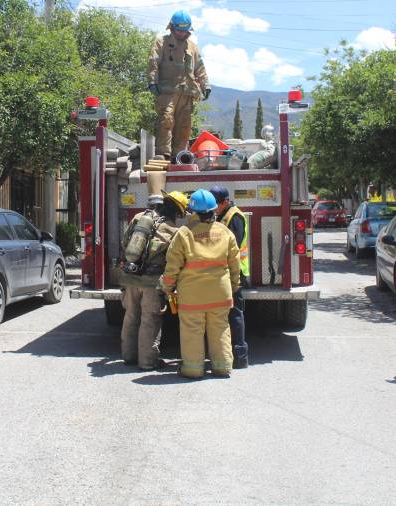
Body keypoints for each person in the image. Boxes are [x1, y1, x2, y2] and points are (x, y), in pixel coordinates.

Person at [160, 189, 240, 378]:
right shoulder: (225, 232)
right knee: (220, 328)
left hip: (192, 296)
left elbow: (172, 266)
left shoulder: (184, 234)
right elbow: (234, 264)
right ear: (214, 209)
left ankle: (193, 370)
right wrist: (234, 286)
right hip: (221, 293)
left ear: (192, 212)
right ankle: (222, 367)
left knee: (192, 331)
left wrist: (167, 287)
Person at [119, 190, 189, 370]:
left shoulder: (139, 217)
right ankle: (148, 362)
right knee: (150, 320)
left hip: (130, 277)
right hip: (152, 282)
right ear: (177, 212)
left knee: (131, 315)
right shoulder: (174, 230)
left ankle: (128, 356)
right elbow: (174, 259)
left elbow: (126, 243)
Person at [147, 10, 210, 162]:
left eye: (184, 30)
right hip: (167, 91)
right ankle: (163, 153)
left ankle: (179, 154)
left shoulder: (193, 47)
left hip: (187, 92)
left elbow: (200, 68)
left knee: (184, 124)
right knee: (166, 119)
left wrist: (205, 85)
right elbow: (153, 62)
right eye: (178, 30)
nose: (181, 33)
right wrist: (152, 82)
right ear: (172, 27)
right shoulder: (161, 42)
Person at [210, 186, 249, 369]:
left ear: (225, 201)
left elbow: (233, 248)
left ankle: (239, 355)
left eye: (215, 204)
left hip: (235, 273)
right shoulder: (221, 214)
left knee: (235, 314)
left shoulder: (234, 217)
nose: (213, 208)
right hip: (223, 272)